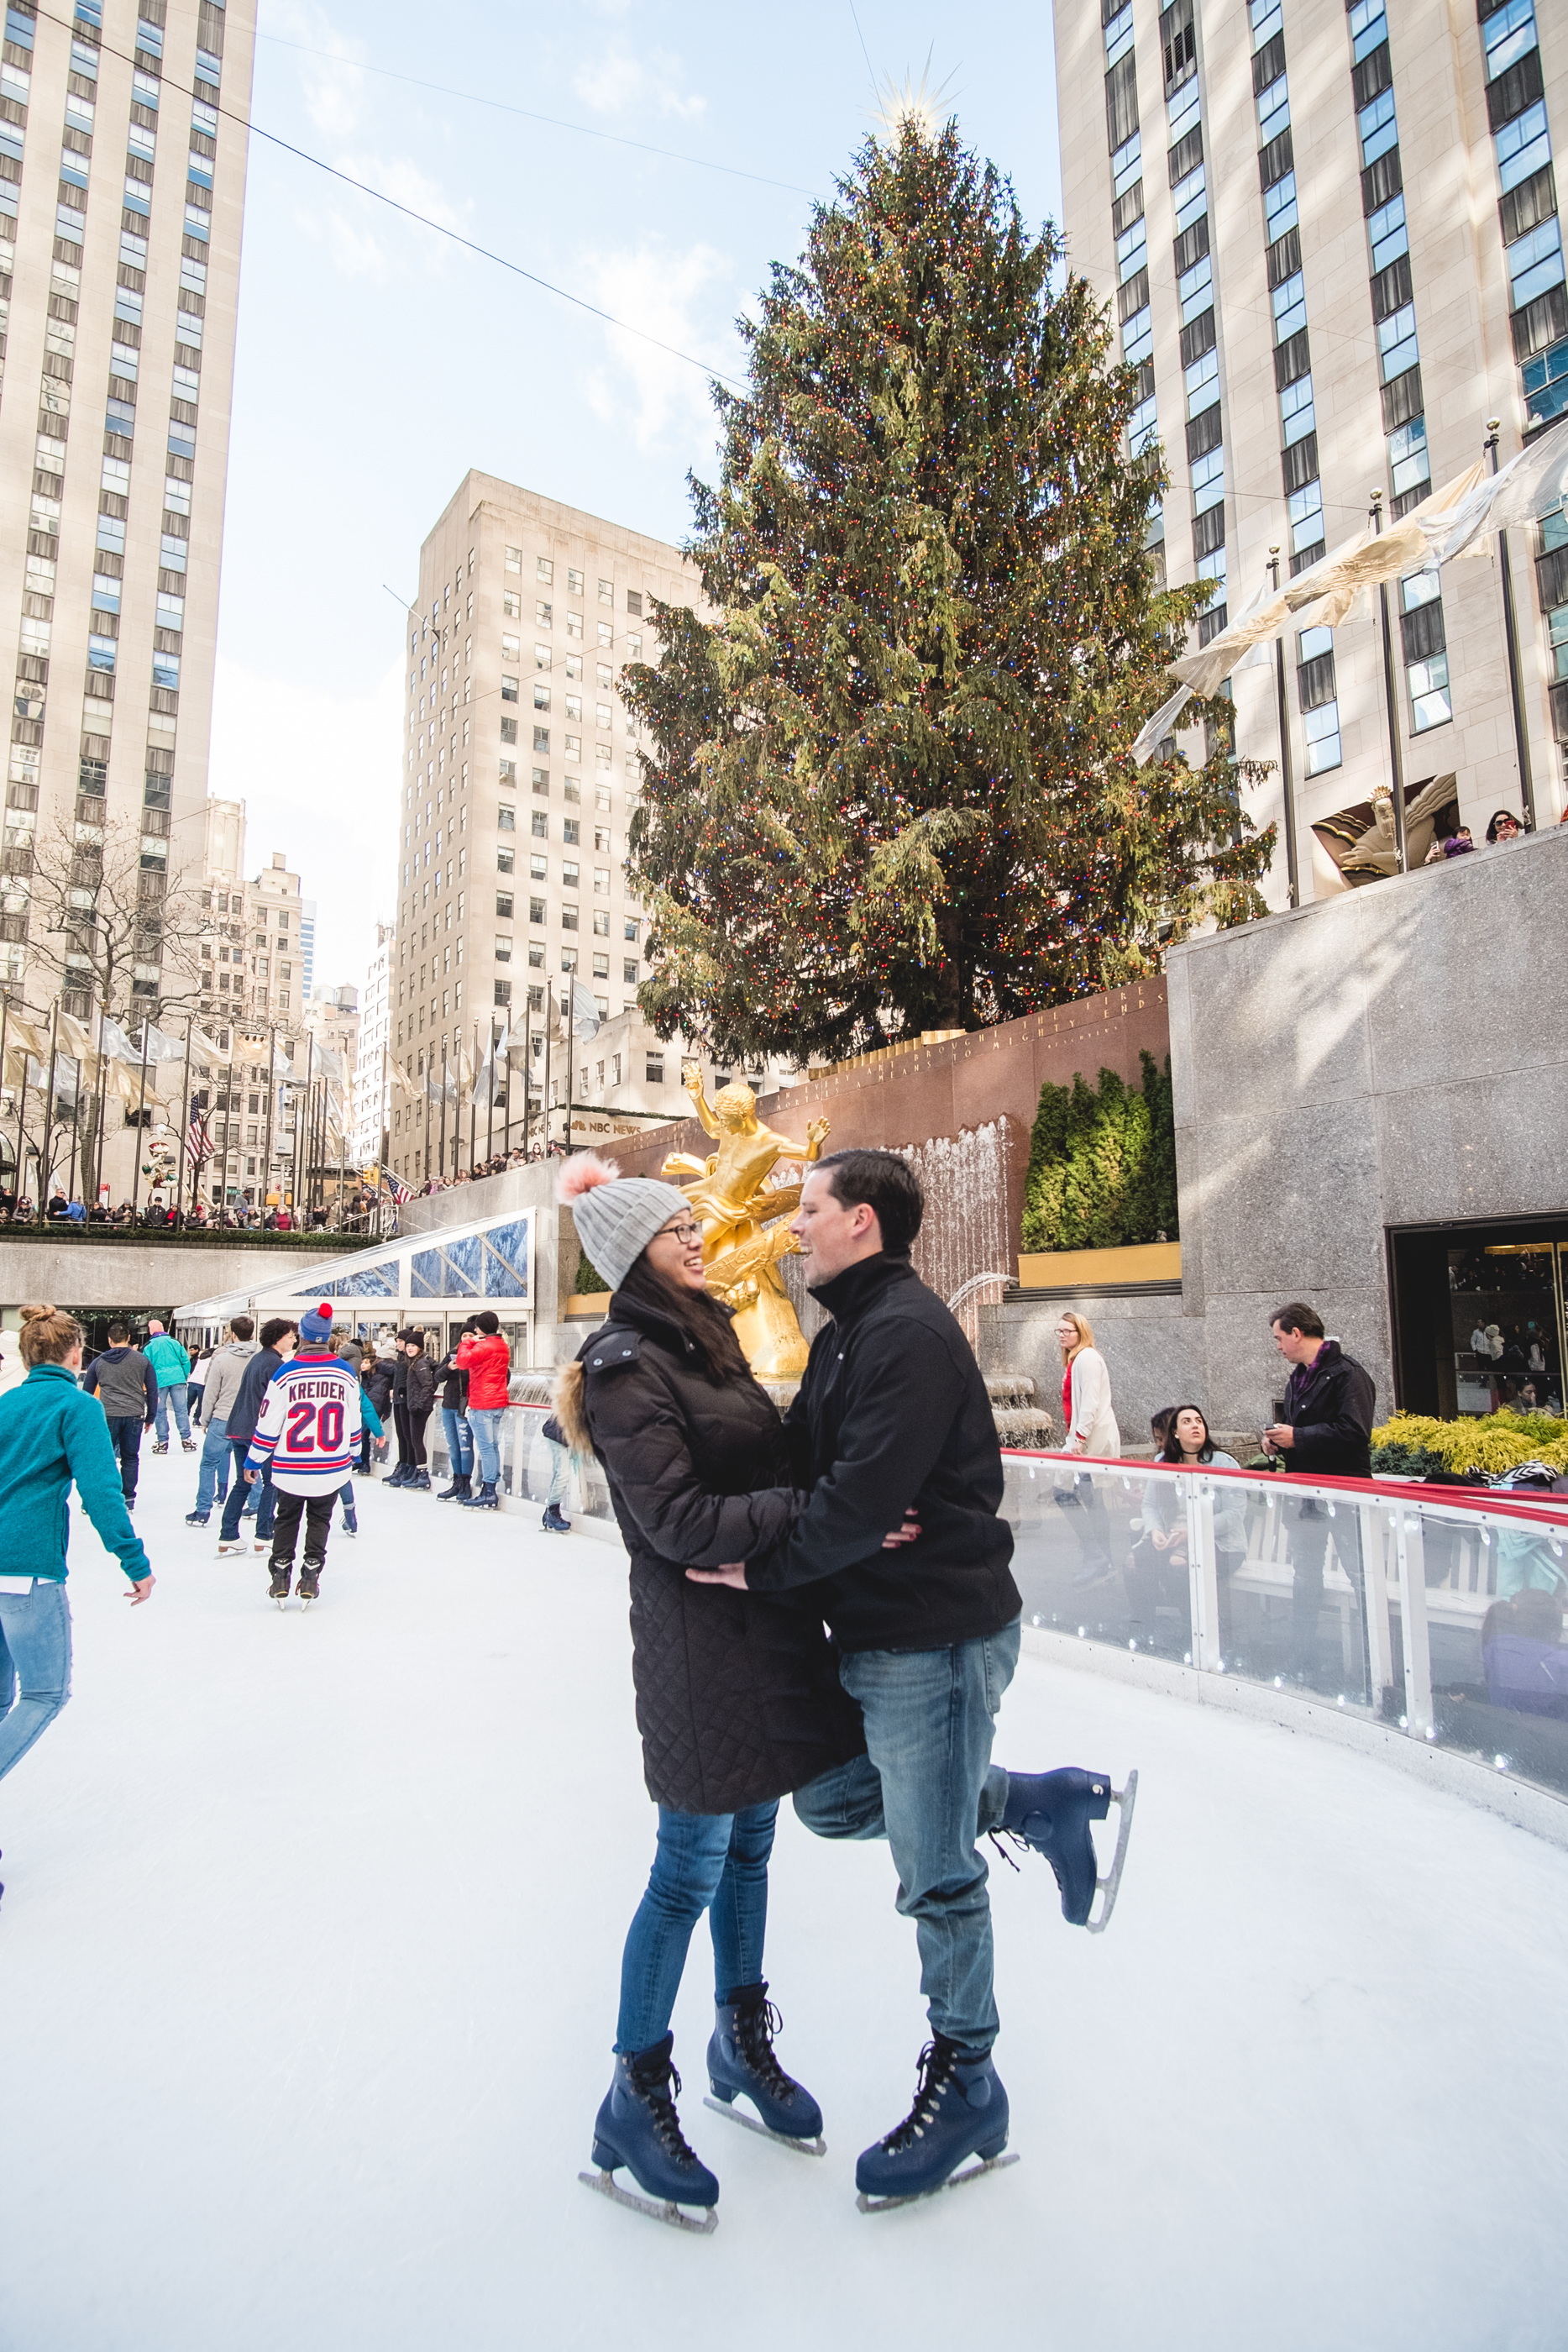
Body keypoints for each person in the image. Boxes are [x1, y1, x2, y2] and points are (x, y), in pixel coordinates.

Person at [690, 1148, 1131, 2207]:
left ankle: (969, 2080)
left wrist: (754, 1562)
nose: (792, 1226)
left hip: (931, 1638)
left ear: (863, 1225)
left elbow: (848, 1505)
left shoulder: (906, 1337)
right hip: (884, 1635)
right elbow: (813, 1478)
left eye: (808, 1209)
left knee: (935, 1873)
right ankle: (1031, 1798)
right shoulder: (851, 1334)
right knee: (832, 1799)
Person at [558, 1154, 865, 2225]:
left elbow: (769, 1464)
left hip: (764, 1626)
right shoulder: (625, 1363)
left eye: (695, 1223)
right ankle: (633, 2092)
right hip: (697, 1644)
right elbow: (680, 1524)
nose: (697, 1237)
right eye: (676, 1227)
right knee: (687, 1862)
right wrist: (806, 1518)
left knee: (751, 1847)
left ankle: (738, 2045)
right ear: (631, 1249)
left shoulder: (708, 1338)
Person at [0, 1305, 154, 1895]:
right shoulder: (75, 1406)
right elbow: (99, 1488)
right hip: (27, 1571)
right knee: (45, 1693)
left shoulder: (7, 1403)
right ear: (74, 1356)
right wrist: (134, 1561)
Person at [1262, 1303, 1376, 1683]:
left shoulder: (1348, 1375)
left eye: (1279, 1337)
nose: (1277, 1345)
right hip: (1305, 1495)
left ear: (1297, 1333)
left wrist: (1298, 1437)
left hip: (1344, 1492)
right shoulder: (1298, 1378)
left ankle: (1373, 1660)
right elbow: (1303, 1431)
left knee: (1361, 1575)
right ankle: (1303, 1654)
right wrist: (1279, 1443)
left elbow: (1355, 1432)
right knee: (1305, 1576)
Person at [244, 1302, 361, 1605]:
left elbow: (268, 1422)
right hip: (331, 1466)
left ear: (304, 1336)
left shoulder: (286, 1374)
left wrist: (254, 1458)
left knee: (287, 1518)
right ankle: (311, 1575)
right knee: (320, 1519)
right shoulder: (345, 1373)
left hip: (291, 1467)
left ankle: (280, 1575)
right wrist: (355, 1451)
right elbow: (353, 1417)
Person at [215, 1318, 296, 1556]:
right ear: (278, 1337)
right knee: (272, 1481)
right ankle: (264, 1534)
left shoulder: (259, 1360)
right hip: (258, 1432)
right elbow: (274, 1404)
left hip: (239, 1427)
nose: (294, 1340)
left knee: (243, 1482)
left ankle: (228, 1534)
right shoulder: (274, 1364)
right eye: (291, 1336)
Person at [1054, 1308, 1121, 1588]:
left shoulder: (1088, 1358)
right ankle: (1097, 1556)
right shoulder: (1076, 1359)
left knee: (1082, 1497)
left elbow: (1091, 1402)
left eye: (1067, 1331)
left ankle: (1099, 1557)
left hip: (1091, 1442)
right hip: (1083, 1440)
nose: (1061, 1336)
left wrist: (1079, 1440)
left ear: (1081, 1333)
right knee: (1085, 1497)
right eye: (1058, 1331)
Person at [186, 1316, 258, 1527]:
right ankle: (256, 1502)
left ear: (233, 1334)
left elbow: (211, 1392)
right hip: (250, 1419)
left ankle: (203, 1509)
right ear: (252, 1334)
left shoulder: (221, 1359)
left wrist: (204, 1418)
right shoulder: (260, 1358)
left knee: (209, 1463)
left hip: (223, 1417)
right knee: (250, 1462)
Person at [80, 1321, 157, 1507]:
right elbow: (153, 1390)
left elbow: (86, 1392)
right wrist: (151, 1416)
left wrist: (85, 1418)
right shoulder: (142, 1361)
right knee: (130, 1458)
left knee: (104, 1458)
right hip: (134, 1415)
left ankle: (97, 1497)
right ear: (129, 1338)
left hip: (108, 1415)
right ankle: (128, 1498)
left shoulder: (98, 1362)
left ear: (109, 1340)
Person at [456, 1310, 510, 1510]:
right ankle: (491, 1486)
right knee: (493, 1446)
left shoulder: (485, 1346)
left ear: (483, 1327)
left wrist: (467, 1342)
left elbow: (462, 1361)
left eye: (477, 1327)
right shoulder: (502, 1345)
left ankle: (489, 1491)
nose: (475, 1330)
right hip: (497, 1402)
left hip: (482, 1403)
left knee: (486, 1448)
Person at [434, 1318, 477, 1502]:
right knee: (453, 1446)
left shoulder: (478, 1354)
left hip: (465, 1406)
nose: (467, 1338)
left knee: (465, 1446)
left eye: (470, 1335)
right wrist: (449, 1368)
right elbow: (437, 1376)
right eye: (464, 1335)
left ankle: (466, 1483)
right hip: (448, 1406)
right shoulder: (453, 1353)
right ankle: (457, 1481)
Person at [389, 1329, 434, 1491]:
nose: (408, 1348)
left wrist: (418, 1405)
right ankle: (415, 1471)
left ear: (420, 1347)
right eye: (407, 1345)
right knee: (411, 1439)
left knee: (415, 1440)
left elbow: (427, 1384)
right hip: (411, 1404)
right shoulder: (412, 1362)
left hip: (417, 1407)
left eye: (412, 1345)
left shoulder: (420, 1363)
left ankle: (421, 1473)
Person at [144, 1320, 196, 1453]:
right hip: (177, 1378)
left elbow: (145, 1367)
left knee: (160, 1411)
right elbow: (185, 1360)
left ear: (151, 1331)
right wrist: (183, 1376)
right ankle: (186, 1439)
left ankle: (162, 1442)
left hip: (158, 1381)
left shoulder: (149, 1346)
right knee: (181, 1410)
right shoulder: (174, 1342)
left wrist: (149, 1384)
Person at [360, 1349, 394, 1474]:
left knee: (364, 1434)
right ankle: (362, 1462)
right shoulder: (367, 1376)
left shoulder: (380, 1372)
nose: (363, 1365)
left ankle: (364, 1463)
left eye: (366, 1363)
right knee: (363, 1434)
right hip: (370, 1406)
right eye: (362, 1362)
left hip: (373, 1407)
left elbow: (379, 1395)